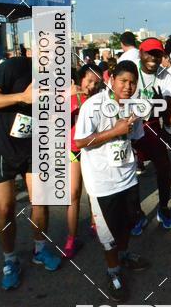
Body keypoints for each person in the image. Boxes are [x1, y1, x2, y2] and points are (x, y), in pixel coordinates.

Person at [0, 54, 62, 290]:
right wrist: (22, 97)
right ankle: (10, 260)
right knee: (5, 208)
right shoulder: (14, 66)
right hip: (1, 147)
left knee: (40, 201)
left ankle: (40, 249)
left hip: (33, 147)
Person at [74, 60, 150, 301]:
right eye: (123, 81)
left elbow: (135, 137)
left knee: (126, 224)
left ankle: (124, 256)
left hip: (127, 176)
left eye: (132, 83)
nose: (128, 87)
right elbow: (80, 141)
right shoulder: (93, 105)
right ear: (111, 80)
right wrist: (114, 132)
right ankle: (113, 271)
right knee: (108, 234)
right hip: (102, 182)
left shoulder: (134, 106)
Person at [131, 38, 171, 232]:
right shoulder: (131, 70)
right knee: (129, 173)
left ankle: (163, 208)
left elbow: (169, 109)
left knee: (164, 168)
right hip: (130, 125)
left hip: (152, 124)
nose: (153, 58)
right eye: (149, 53)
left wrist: (163, 103)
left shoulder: (166, 75)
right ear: (140, 53)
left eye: (157, 54)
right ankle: (136, 213)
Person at [64, 63, 103, 258]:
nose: (92, 86)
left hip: (93, 150)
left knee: (93, 191)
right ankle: (72, 238)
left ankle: (96, 224)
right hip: (73, 150)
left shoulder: (99, 100)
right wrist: (65, 98)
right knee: (73, 194)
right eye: (89, 81)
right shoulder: (68, 96)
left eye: (96, 83)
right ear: (80, 79)